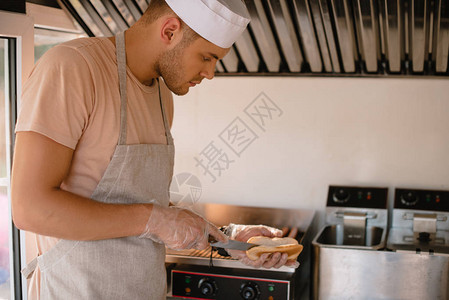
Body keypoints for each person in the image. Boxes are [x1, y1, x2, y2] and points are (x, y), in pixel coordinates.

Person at [11, 0, 298, 299]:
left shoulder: (162, 95)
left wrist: (228, 238)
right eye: (207, 57)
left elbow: (141, 207)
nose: (211, 73)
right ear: (170, 31)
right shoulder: (73, 68)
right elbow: (30, 208)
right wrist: (155, 219)